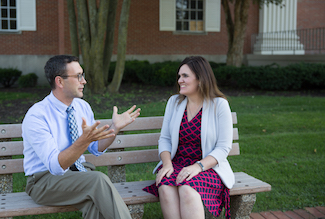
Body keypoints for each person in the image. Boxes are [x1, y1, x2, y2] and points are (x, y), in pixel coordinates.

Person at [22, 55, 140, 219]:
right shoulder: (37, 116)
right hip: (44, 182)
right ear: (60, 82)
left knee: (97, 204)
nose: (84, 81)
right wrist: (82, 141)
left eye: (82, 75)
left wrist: (115, 128)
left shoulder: (82, 107)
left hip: (80, 175)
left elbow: (96, 148)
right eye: (78, 76)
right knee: (98, 181)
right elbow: (56, 166)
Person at [143, 56, 235, 219]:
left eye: (185, 76)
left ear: (200, 79)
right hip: (177, 164)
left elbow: (223, 148)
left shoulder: (219, 105)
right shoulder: (174, 102)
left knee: (187, 189)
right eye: (179, 76)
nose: (180, 80)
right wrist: (166, 164)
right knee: (165, 187)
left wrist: (197, 167)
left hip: (208, 168)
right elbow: (165, 139)